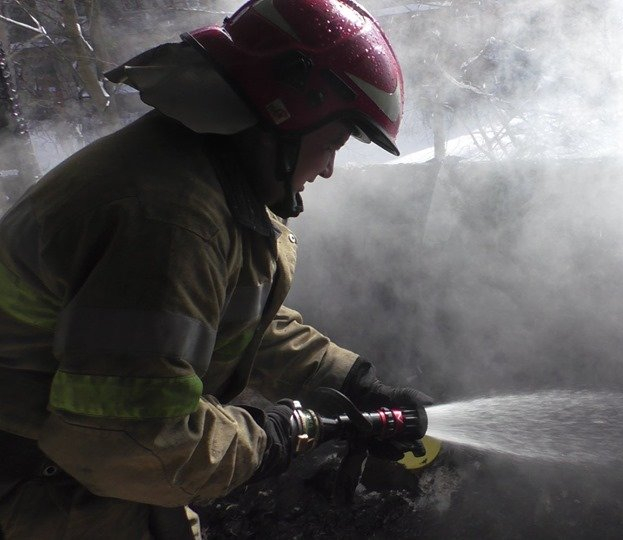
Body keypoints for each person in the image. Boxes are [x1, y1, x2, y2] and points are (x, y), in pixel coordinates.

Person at [0, 0, 431, 538]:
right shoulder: (171, 220)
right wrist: (270, 437)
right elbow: (130, 438)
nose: (328, 169)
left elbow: (230, 309)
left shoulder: (199, 175)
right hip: (41, 498)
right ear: (286, 113)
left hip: (75, 478)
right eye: (332, 143)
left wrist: (354, 381)